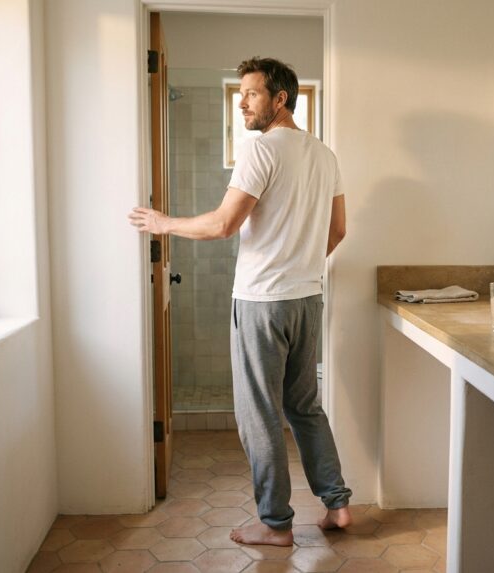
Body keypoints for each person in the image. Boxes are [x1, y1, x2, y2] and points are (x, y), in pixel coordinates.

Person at [128, 57, 352, 547]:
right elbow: (338, 231)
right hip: (306, 299)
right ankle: (337, 505)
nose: (243, 102)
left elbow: (223, 224)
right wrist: (300, 264)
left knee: (259, 413)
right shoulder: (324, 155)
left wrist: (163, 224)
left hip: (262, 302)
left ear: (280, 99)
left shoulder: (261, 150)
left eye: (252, 93)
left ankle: (275, 523)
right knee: (305, 406)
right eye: (242, 93)